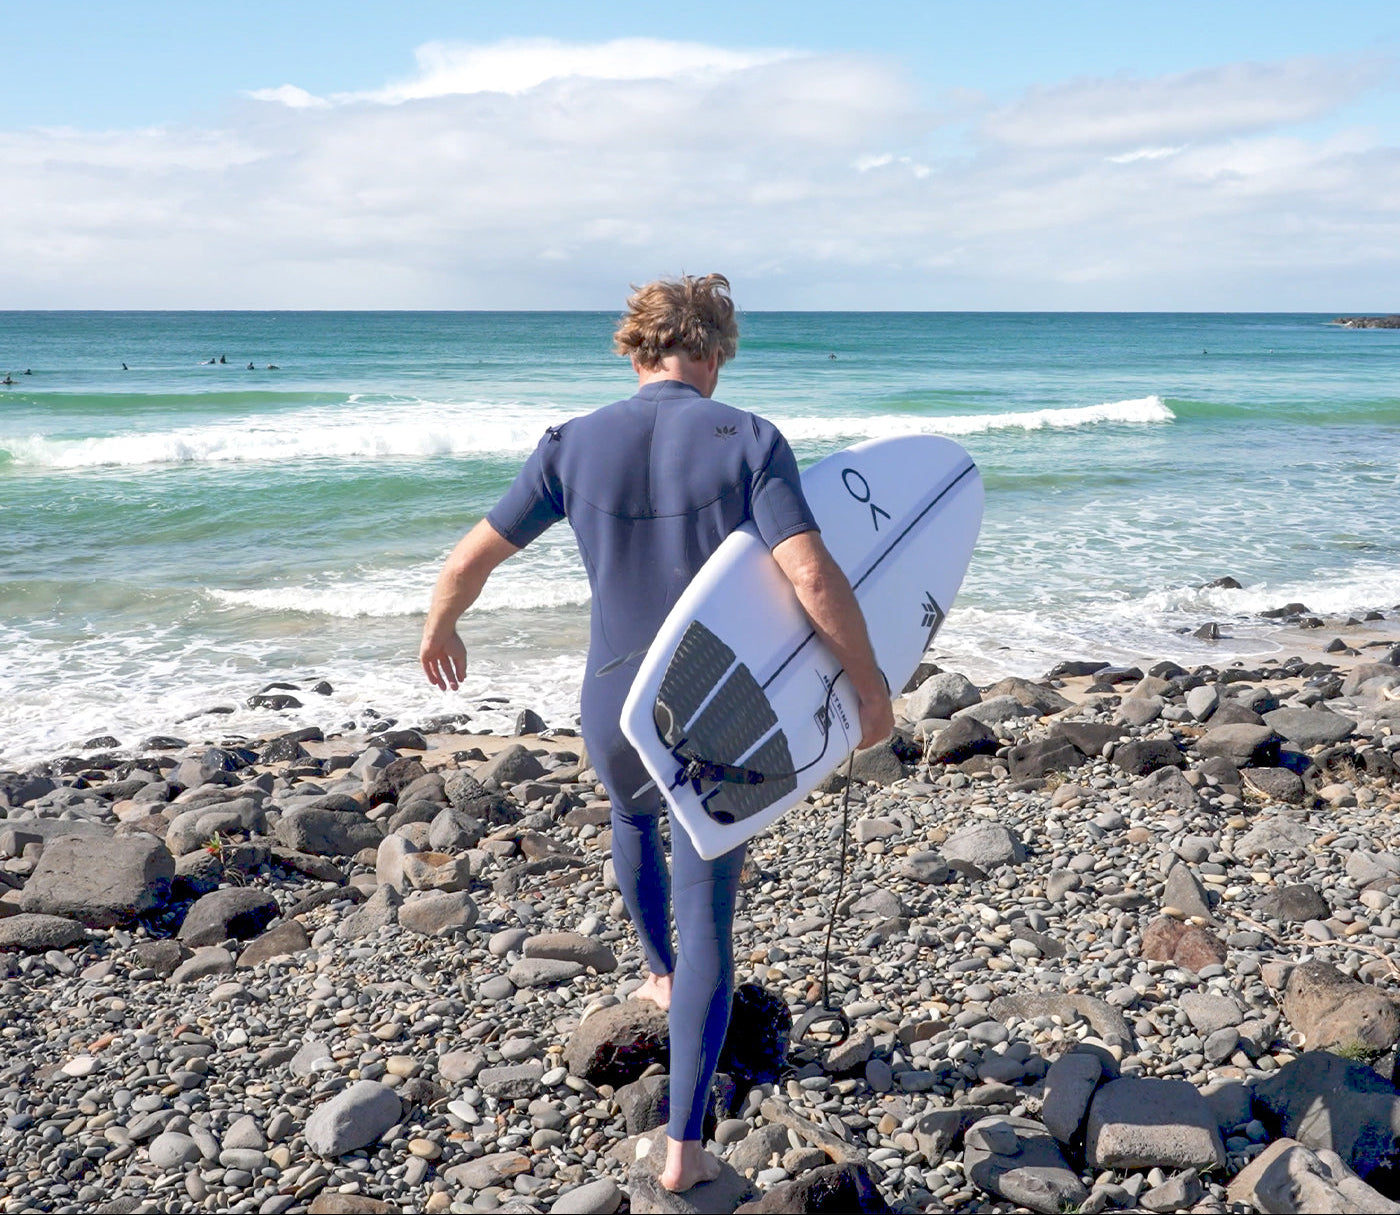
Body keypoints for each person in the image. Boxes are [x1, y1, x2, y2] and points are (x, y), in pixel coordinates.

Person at [419, 274, 893, 1192]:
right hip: (711, 705)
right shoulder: (749, 439)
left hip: (611, 702)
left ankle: (660, 979)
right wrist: (867, 686)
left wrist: (441, 623)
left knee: (632, 821)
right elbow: (812, 576)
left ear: (636, 349)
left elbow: (470, 556)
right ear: (711, 349)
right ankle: (682, 1149)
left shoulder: (569, 445)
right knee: (708, 893)